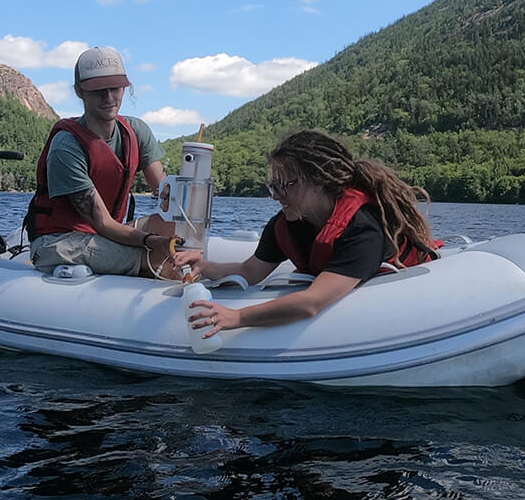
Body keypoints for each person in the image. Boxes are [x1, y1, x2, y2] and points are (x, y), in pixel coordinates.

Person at [175, 129, 441, 338]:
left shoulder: (363, 227)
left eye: (285, 186)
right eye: (273, 187)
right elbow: (250, 271)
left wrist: (237, 317)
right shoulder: (287, 224)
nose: (276, 197)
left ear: (318, 181)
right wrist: (205, 265)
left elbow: (312, 302)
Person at [26, 46, 173, 276]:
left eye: (115, 88)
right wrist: (151, 241)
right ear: (80, 92)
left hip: (106, 233)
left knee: (174, 228)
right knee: (156, 257)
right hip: (59, 240)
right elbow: (102, 223)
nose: (109, 98)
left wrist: (187, 194)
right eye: (98, 91)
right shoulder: (66, 147)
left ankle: (228, 277)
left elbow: (164, 192)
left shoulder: (136, 131)